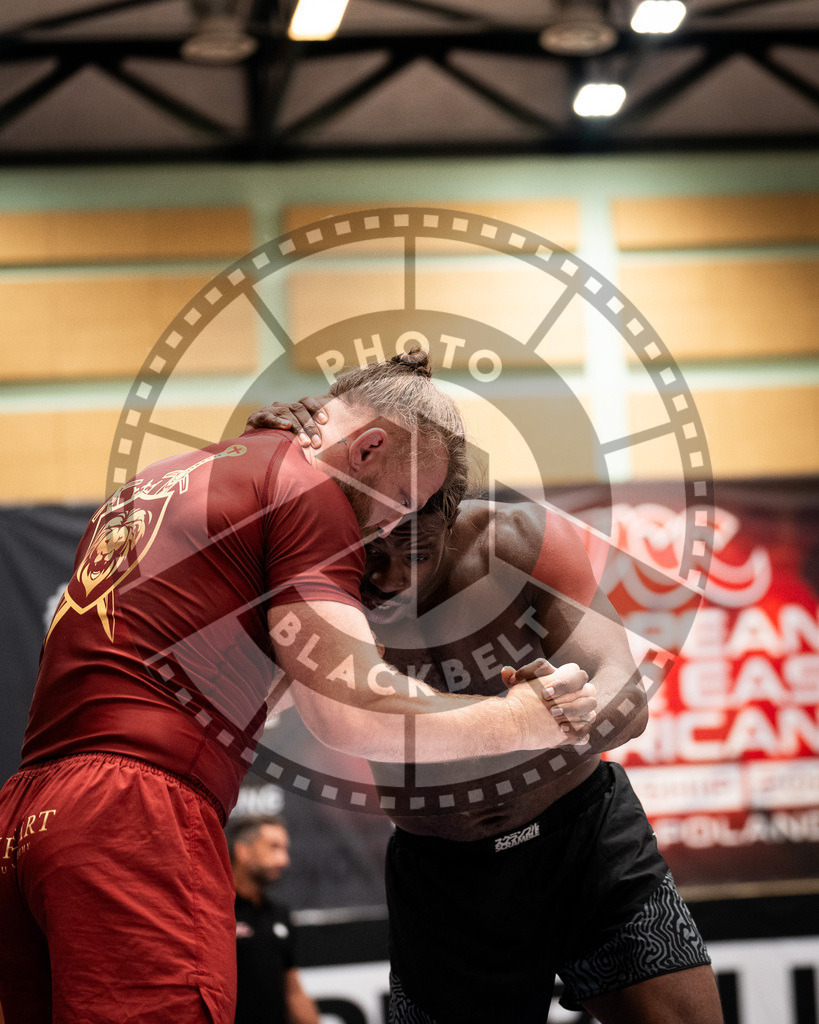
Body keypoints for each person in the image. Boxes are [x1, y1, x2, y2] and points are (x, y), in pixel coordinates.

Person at [0, 350, 592, 1024]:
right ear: (368, 447)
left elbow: (236, 677)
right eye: (401, 501)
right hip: (134, 815)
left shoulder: (159, 482)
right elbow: (350, 710)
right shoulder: (310, 491)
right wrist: (523, 718)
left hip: (30, 819)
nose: (390, 527)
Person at [252, 395, 725, 1024]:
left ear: (450, 519)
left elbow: (627, 699)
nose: (388, 579)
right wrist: (269, 455)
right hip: (443, 879)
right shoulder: (320, 571)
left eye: (414, 552)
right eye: (374, 550)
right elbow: (244, 699)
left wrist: (563, 710)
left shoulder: (517, 542)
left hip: (585, 842)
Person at [227, 815, 320, 1024]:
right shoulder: (215, 913)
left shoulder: (279, 914)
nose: (284, 860)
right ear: (243, 851)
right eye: (273, 847)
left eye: (284, 849)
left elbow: (293, 991)